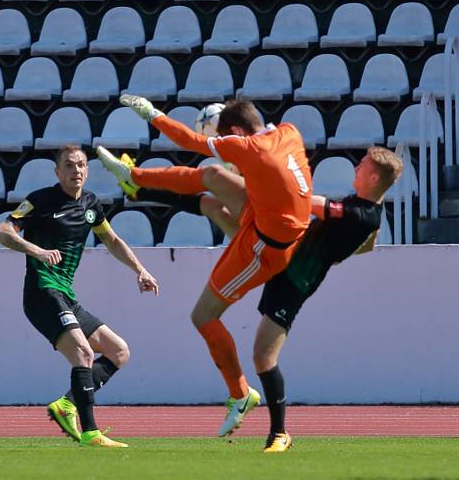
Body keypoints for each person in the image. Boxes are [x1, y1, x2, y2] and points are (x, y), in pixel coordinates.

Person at [108, 147, 402, 452]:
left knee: (263, 356)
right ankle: (137, 189)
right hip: (280, 249)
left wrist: (266, 183)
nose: (356, 167)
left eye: (362, 165)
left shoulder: (362, 214)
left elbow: (305, 204)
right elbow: (368, 245)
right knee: (213, 204)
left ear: (374, 176)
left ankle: (279, 433)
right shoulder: (369, 212)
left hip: (293, 280)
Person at [97, 96, 312, 438]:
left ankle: (240, 395)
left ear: (239, 132)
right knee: (211, 179)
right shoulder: (290, 131)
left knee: (203, 316)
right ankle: (135, 184)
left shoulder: (249, 147)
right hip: (268, 219)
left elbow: (191, 141)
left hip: (264, 248)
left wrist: (152, 114)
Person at [0, 145, 159, 448]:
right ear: (57, 172)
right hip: (42, 292)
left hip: (66, 296)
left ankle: (67, 404)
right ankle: (91, 433)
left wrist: (140, 270)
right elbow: (2, 232)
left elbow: (110, 238)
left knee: (119, 351)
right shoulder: (40, 201)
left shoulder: (90, 204)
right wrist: (38, 251)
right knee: (83, 353)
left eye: (82, 165)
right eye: (69, 166)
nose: (77, 171)